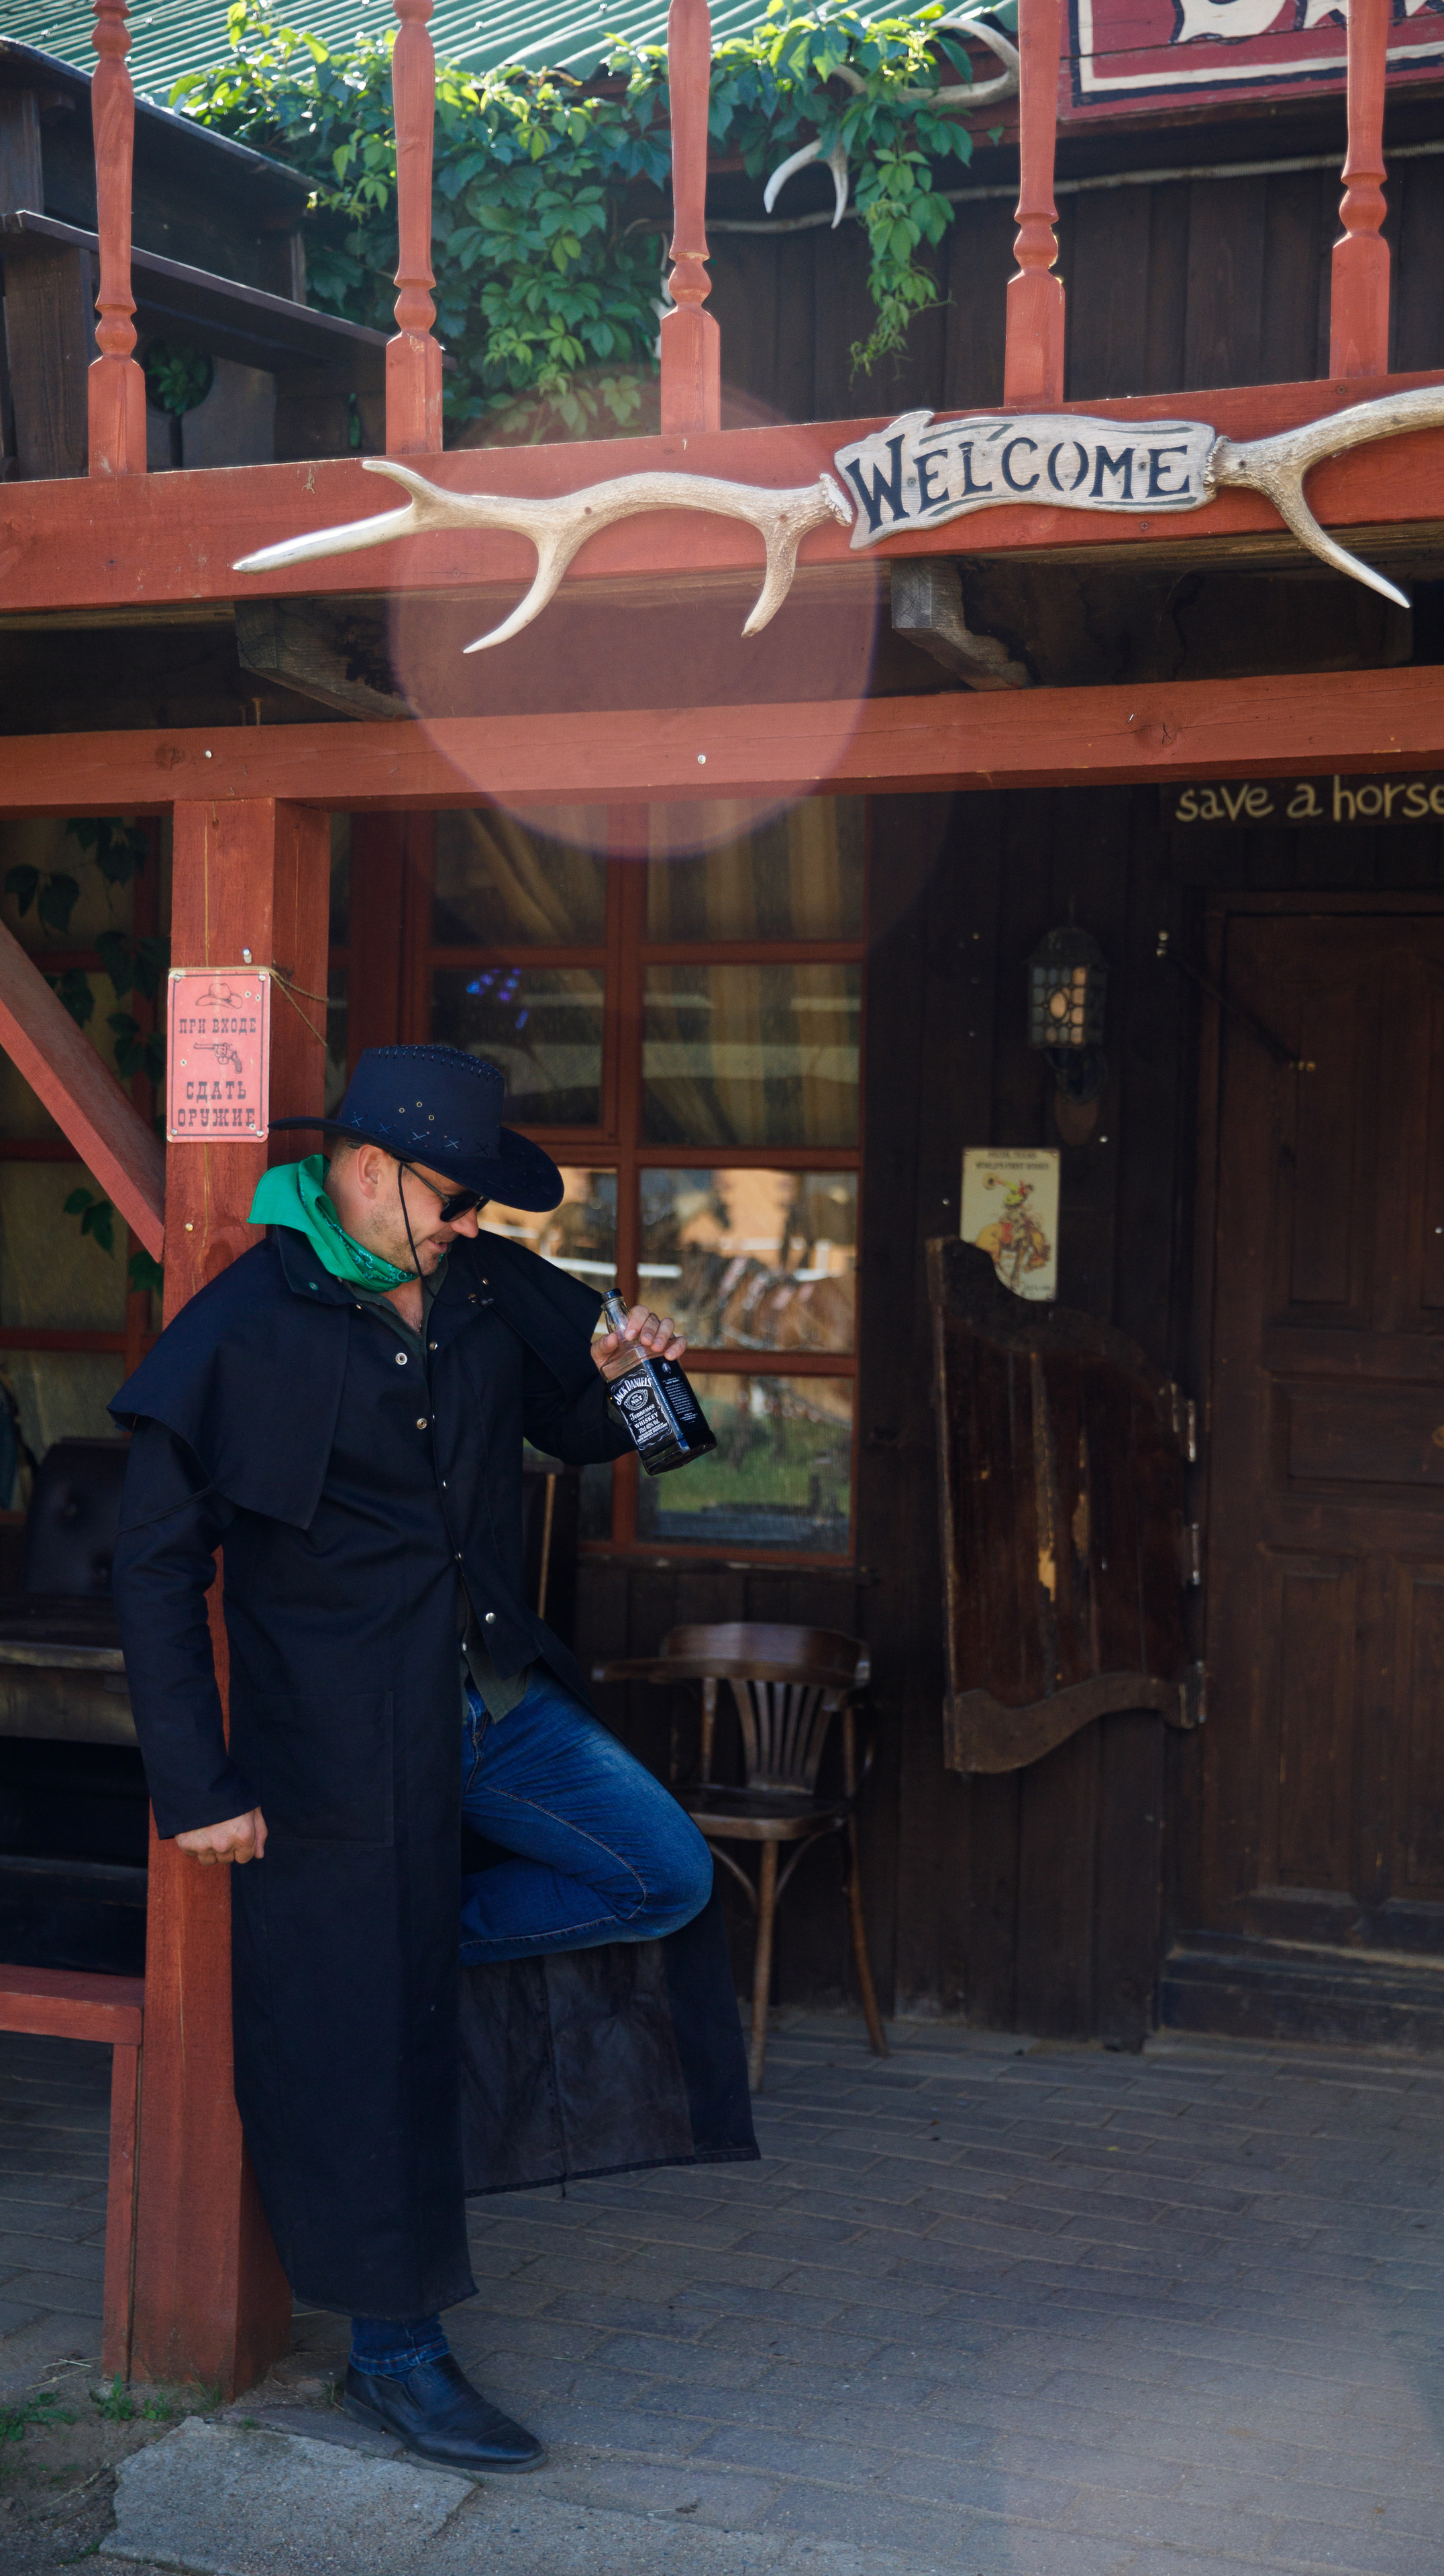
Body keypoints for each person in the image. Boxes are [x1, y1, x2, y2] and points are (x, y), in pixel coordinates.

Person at [109, 1045, 752, 2474]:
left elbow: (586, 1427)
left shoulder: (480, 1286)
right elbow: (151, 1566)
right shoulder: (245, 1324)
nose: (472, 1227)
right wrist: (197, 1789)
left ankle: (423, 1960)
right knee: (357, 2050)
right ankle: (394, 2363)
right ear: (366, 1165)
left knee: (659, 1873)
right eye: (453, 1200)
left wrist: (640, 1377)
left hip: (489, 1699)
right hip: (336, 1745)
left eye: (476, 1207)